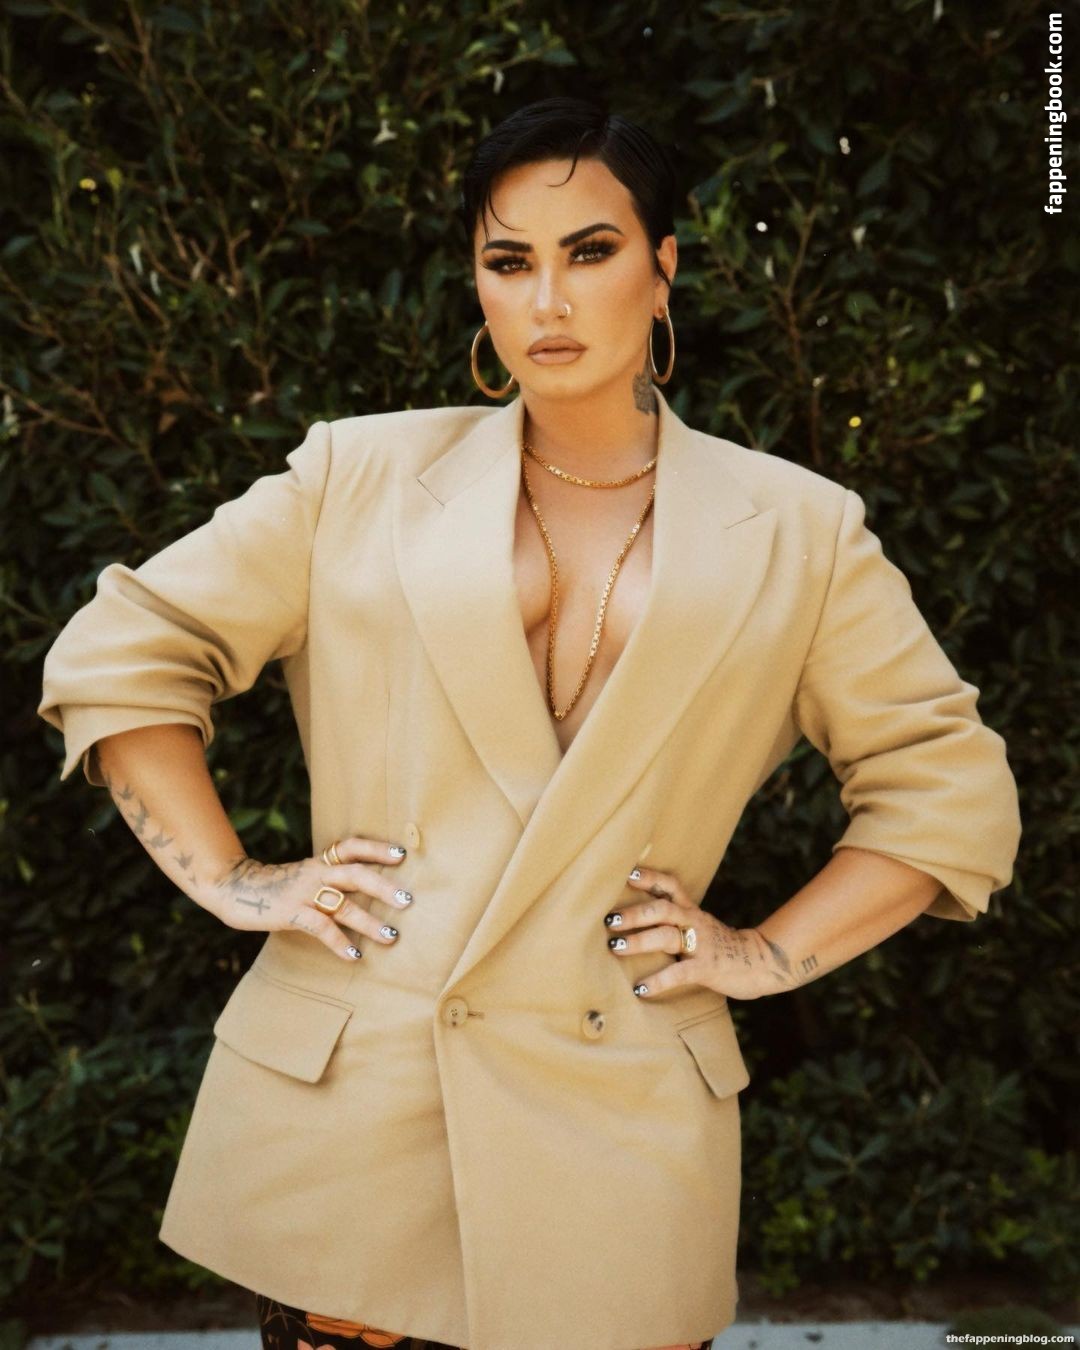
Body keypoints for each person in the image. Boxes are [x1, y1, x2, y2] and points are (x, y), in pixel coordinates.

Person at [37, 96, 1021, 1350]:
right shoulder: (358, 474)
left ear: (663, 268)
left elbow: (946, 788)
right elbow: (125, 652)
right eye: (510, 262)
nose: (547, 299)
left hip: (621, 1096)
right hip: (358, 1099)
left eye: (590, 251)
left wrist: (762, 954)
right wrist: (232, 880)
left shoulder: (799, 530)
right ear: (478, 286)